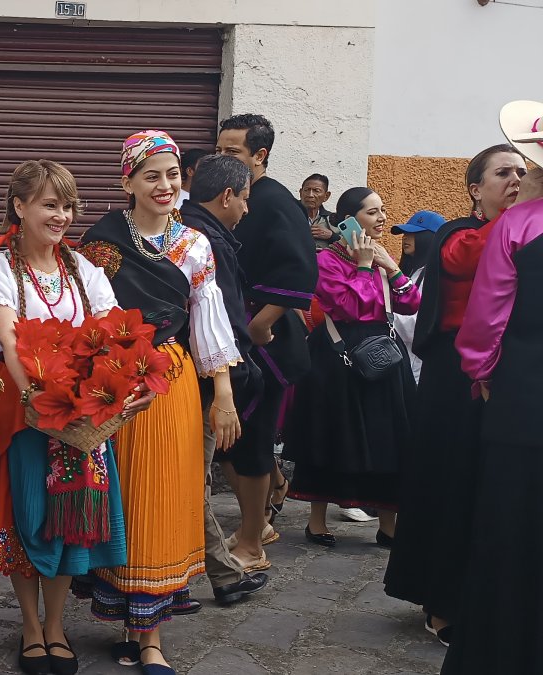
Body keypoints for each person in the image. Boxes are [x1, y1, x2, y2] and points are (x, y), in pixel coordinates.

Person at [0, 160, 144, 675]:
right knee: (31, 520)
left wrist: (118, 395)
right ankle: (30, 625)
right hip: (29, 419)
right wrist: (40, 405)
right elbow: (10, 343)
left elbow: (112, 340)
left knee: (73, 526)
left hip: (85, 423)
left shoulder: (86, 273)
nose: (61, 215)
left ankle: (56, 625)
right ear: (19, 207)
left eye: (67, 205)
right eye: (49, 204)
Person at [77, 130, 241, 673]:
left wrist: (222, 393)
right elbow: (86, 315)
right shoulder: (101, 243)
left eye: (172, 175)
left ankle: (152, 638)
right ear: (128, 182)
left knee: (165, 500)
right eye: (151, 176)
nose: (165, 185)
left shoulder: (194, 246)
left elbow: (208, 322)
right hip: (116, 381)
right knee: (123, 498)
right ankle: (129, 620)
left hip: (169, 381)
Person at [383, 143, 525, 645]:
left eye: (523, 172)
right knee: (452, 482)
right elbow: (477, 256)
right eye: (504, 173)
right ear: (474, 189)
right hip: (454, 379)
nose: (516, 180)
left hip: (509, 377)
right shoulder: (459, 235)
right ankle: (440, 602)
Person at [444, 103, 543, 673]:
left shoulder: (516, 226)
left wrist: (481, 372)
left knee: (510, 528)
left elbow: (487, 320)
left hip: (524, 400)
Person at [283, 187, 420, 546]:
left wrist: (390, 268)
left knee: (390, 440)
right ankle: (317, 522)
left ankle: (388, 525)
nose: (382, 219)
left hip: (383, 357)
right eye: (373, 212)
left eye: (383, 210)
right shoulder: (326, 260)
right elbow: (347, 307)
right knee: (330, 437)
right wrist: (362, 266)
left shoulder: (382, 255)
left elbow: (411, 303)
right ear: (347, 220)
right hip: (338, 357)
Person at [213, 114, 318, 570]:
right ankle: (262, 514)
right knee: (232, 443)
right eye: (219, 149)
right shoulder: (232, 198)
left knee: (251, 440)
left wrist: (261, 324)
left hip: (267, 341)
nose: (222, 158)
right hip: (236, 332)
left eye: (232, 151)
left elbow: (301, 271)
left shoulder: (276, 202)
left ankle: (253, 542)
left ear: (260, 156)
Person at [180, 153, 271, 606]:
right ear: (227, 196)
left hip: (196, 380)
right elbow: (220, 324)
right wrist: (228, 387)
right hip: (196, 382)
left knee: (193, 481)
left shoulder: (198, 234)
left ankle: (204, 575)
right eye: (246, 199)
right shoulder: (200, 242)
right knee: (189, 481)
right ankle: (220, 573)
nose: (247, 210)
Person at [389, 210, 445, 382]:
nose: (405, 238)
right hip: (403, 359)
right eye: (405, 233)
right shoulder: (410, 271)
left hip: (419, 367)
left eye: (413, 234)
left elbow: (420, 325)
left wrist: (384, 318)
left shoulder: (435, 274)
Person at [300, 174, 335, 250]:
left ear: (326, 196)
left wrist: (332, 236)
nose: (310, 195)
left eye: (316, 191)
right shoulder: (288, 214)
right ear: (300, 193)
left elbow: (349, 245)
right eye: (306, 190)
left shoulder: (333, 219)